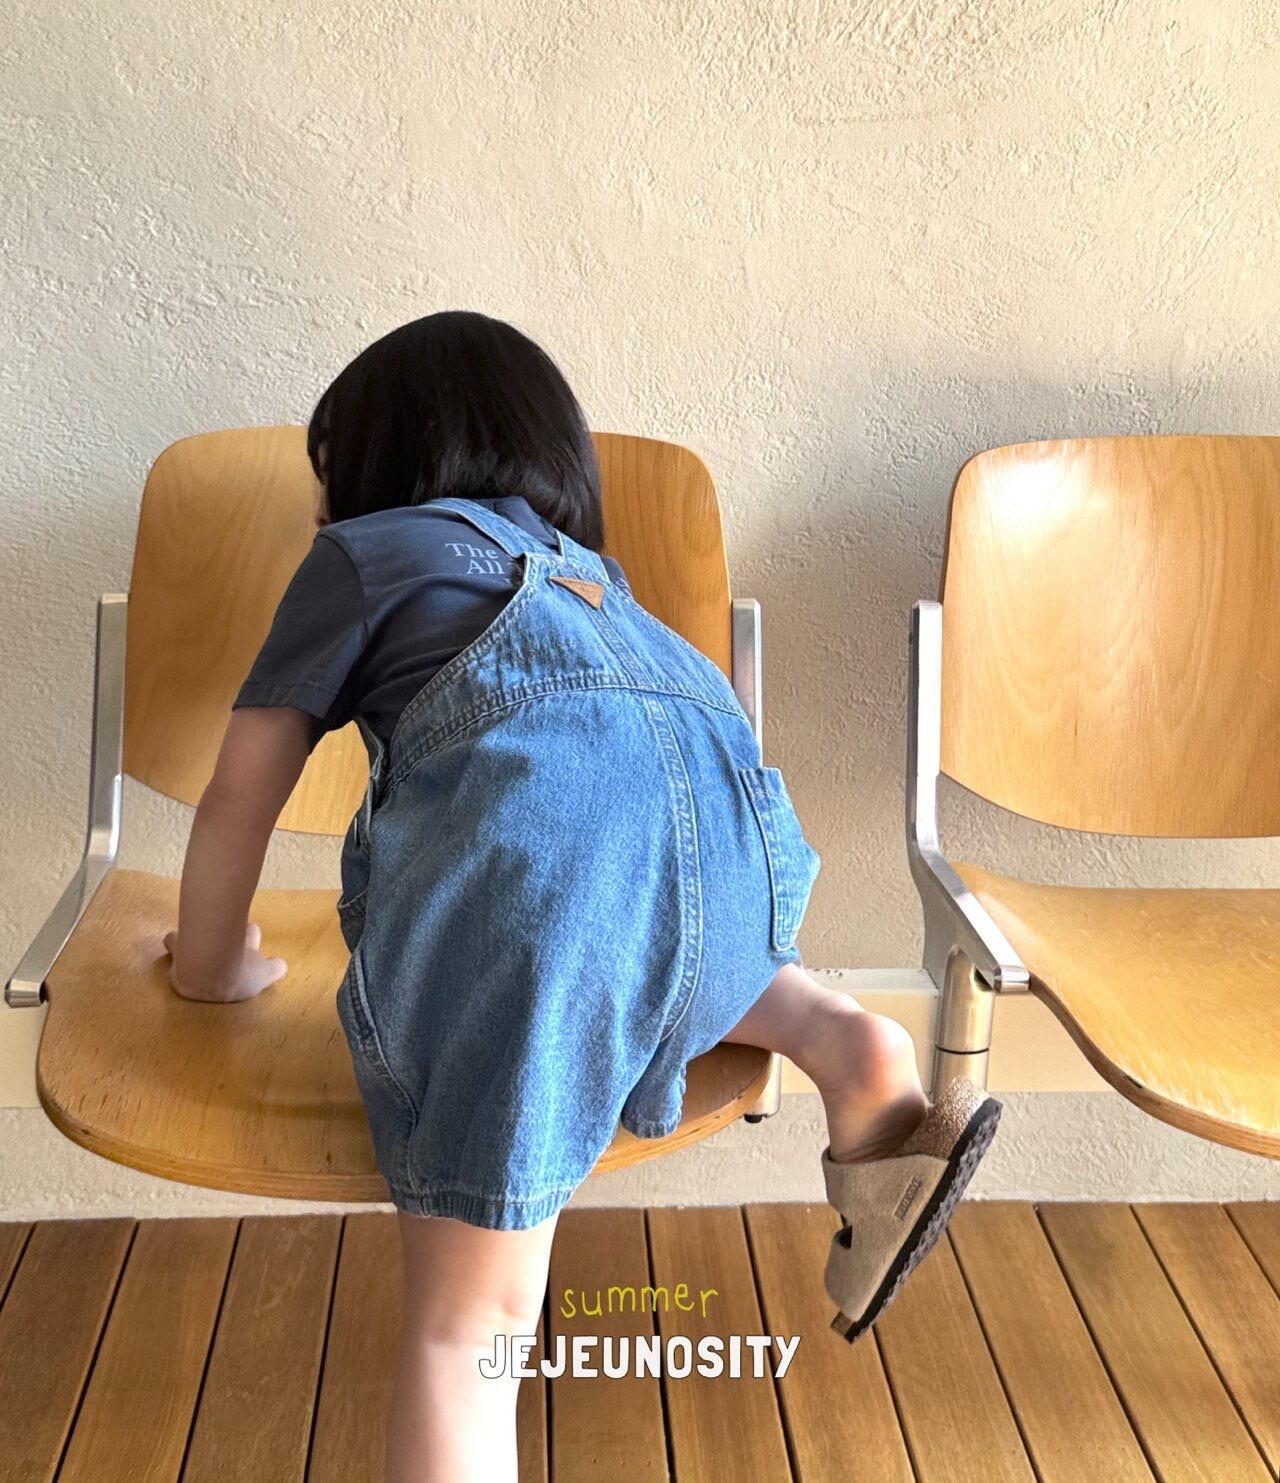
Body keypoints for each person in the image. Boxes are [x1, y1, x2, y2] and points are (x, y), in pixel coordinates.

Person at [163, 310, 999, 1482]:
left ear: (374, 464)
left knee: (470, 1331)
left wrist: (212, 965)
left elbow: (237, 796)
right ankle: (842, 1039)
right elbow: (642, 844)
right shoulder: (596, 582)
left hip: (546, 908)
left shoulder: (361, 558)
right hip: (739, 873)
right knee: (660, 937)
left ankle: (820, 1041)